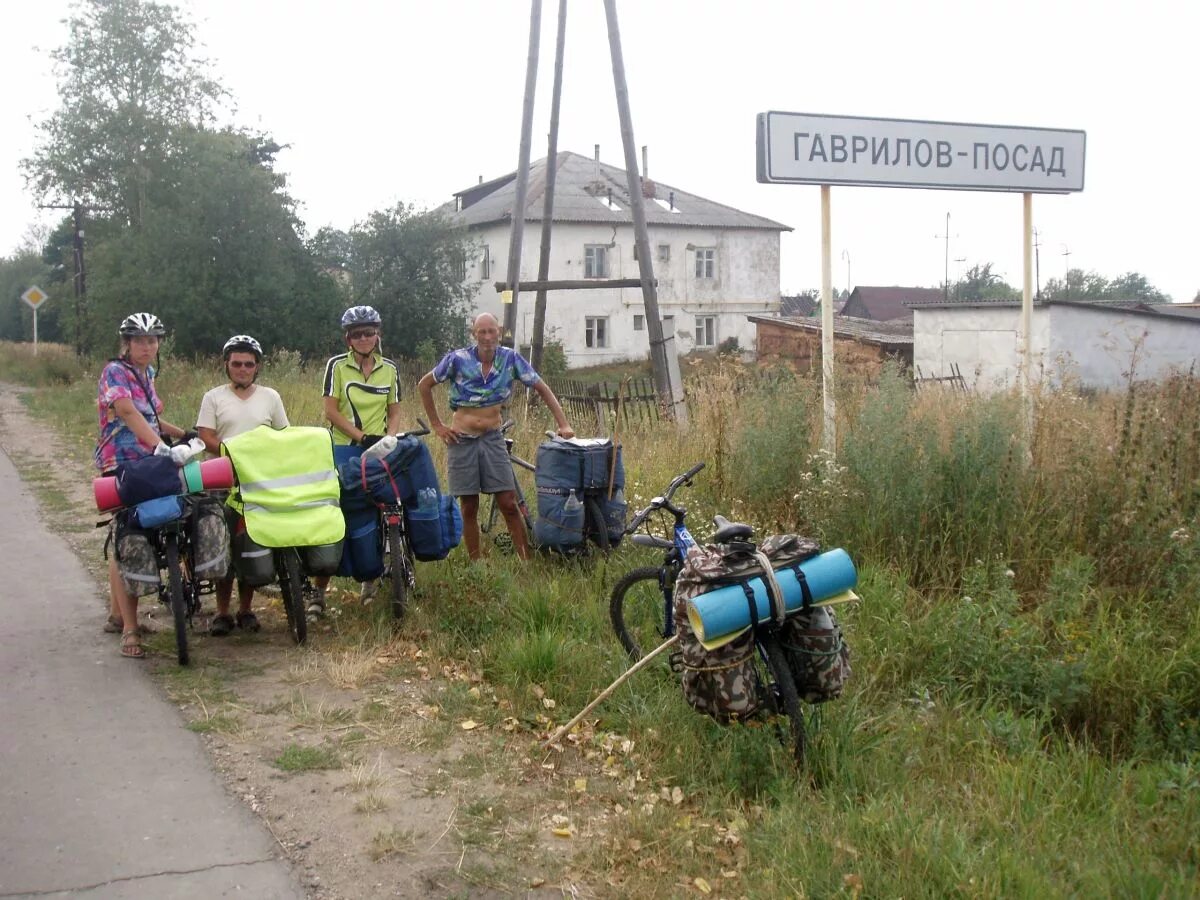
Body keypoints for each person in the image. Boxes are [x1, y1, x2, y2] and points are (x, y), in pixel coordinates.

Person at [418, 312, 574, 560]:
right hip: (461, 440)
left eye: (492, 331)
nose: (488, 337)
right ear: (474, 334)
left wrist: (563, 424)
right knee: (469, 506)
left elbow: (541, 387)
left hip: (492, 438)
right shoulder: (457, 359)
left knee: (508, 503)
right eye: (482, 332)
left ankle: (525, 562)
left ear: (499, 332)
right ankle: (476, 563)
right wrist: (437, 426)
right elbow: (424, 385)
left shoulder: (510, 359)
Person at [95, 312, 189, 659]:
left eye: (152, 340)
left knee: (147, 525)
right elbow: (127, 412)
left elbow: (149, 415)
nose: (147, 346)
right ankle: (130, 630)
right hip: (121, 462)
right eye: (140, 340)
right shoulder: (114, 372)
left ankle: (117, 614)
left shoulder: (146, 373)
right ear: (127, 343)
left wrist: (182, 435)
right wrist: (161, 446)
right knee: (126, 534)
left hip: (149, 463)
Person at [309, 306, 402, 614]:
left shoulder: (389, 368)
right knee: (336, 514)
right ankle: (318, 591)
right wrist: (361, 437)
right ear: (348, 339)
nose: (364, 339)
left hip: (380, 449)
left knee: (381, 510)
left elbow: (395, 409)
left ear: (378, 335)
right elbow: (331, 411)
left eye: (370, 333)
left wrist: (391, 438)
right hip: (345, 447)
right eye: (357, 334)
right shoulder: (336, 366)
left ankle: (370, 582)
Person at [196, 335, 290, 636]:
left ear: (257, 367)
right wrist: (231, 453)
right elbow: (205, 435)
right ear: (227, 365)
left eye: (248, 364)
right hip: (221, 479)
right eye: (236, 364)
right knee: (223, 546)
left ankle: (246, 608)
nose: (242, 369)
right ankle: (222, 612)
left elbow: (283, 435)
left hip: (258, 481)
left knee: (250, 544)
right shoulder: (213, 397)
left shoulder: (271, 397)